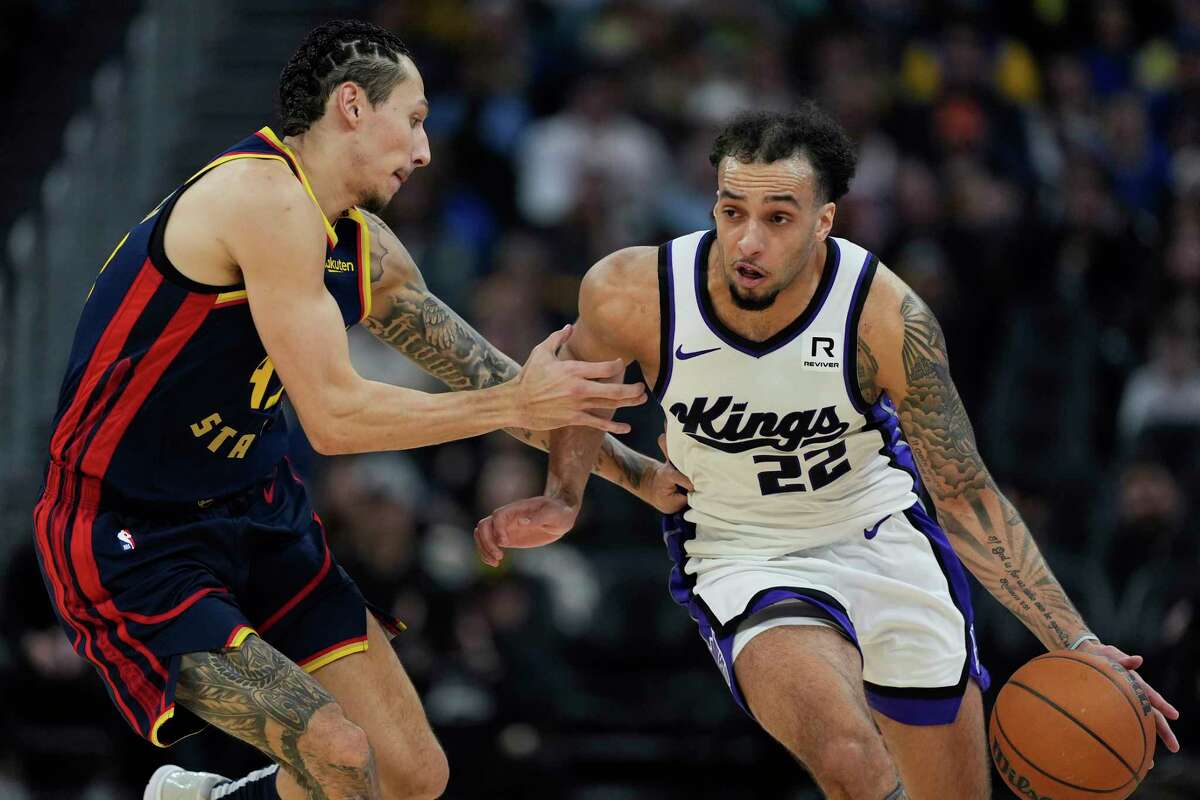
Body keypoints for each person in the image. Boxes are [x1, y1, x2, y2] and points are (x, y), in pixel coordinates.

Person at [33, 19, 689, 800]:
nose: (424, 150)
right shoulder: (259, 197)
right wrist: (514, 399)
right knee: (340, 753)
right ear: (351, 105)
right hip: (131, 532)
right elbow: (335, 419)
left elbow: (489, 377)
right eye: (413, 119)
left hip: (258, 509)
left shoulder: (364, 246)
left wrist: (644, 478)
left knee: (415, 775)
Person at [474, 105, 1181, 798]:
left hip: (879, 536)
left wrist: (1077, 642)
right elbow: (577, 397)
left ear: (823, 221)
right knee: (849, 758)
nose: (747, 240)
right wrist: (564, 496)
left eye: (777, 217)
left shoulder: (883, 315)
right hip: (742, 550)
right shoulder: (632, 292)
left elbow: (965, 494)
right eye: (730, 212)